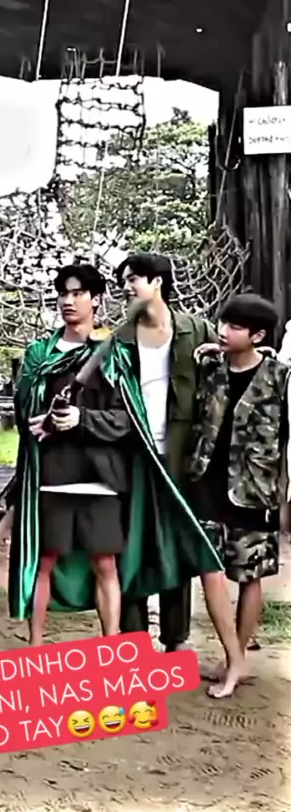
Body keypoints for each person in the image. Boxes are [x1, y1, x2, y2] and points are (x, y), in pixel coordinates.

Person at [8, 262, 226, 652]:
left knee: (117, 561)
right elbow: (24, 409)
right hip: (54, 474)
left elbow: (128, 416)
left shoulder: (117, 351)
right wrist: (44, 419)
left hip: (112, 474)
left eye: (78, 293)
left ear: (96, 299)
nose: (68, 301)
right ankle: (42, 648)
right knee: (47, 563)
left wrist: (83, 420)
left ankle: (138, 645)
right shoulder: (42, 352)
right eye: (63, 293)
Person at [188, 292, 290, 696]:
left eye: (234, 326)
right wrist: (217, 349)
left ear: (258, 335)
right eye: (222, 323)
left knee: (250, 576)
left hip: (256, 490)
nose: (223, 331)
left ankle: (237, 659)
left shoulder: (281, 378)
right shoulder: (210, 369)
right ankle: (233, 658)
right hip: (207, 483)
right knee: (209, 569)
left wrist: (286, 498)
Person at [114, 253, 217, 652]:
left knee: (174, 544)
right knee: (132, 544)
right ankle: (134, 638)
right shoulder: (119, 339)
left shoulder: (196, 330)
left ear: (158, 281)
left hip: (179, 456)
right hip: (133, 455)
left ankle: (175, 638)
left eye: (133, 279)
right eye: (124, 281)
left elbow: (218, 390)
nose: (127, 288)